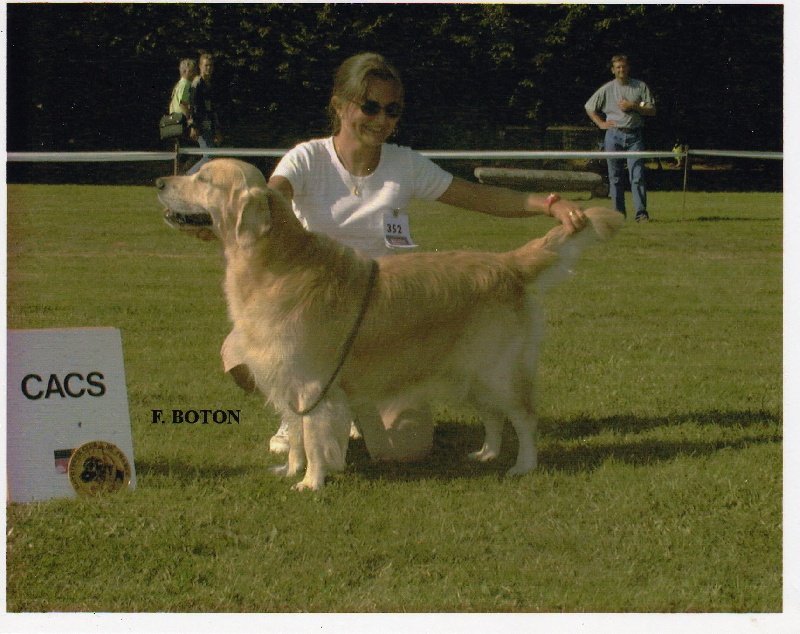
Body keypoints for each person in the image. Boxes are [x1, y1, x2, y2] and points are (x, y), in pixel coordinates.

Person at [223, 52, 589, 458]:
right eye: (370, 107)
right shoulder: (307, 158)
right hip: (319, 315)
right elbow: (273, 202)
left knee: (407, 451)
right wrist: (232, 218)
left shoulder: (405, 164)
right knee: (239, 352)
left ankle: (354, 410)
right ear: (340, 106)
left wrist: (548, 204)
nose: (382, 120)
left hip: (390, 319)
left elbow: (478, 196)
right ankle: (298, 416)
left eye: (392, 110)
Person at [585, 54, 656, 222]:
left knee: (637, 175)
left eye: (623, 66)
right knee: (615, 176)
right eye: (618, 67)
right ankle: (618, 215)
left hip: (634, 135)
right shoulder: (607, 88)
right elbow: (589, 107)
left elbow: (652, 110)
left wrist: (633, 106)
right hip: (614, 135)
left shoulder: (639, 87)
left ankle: (641, 214)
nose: (621, 70)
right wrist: (600, 123)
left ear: (628, 67)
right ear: (613, 70)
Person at [187, 53, 224, 175]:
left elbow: (212, 110)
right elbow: (192, 105)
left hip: (209, 127)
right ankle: (188, 177)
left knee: (213, 156)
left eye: (211, 66)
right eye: (206, 65)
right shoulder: (197, 83)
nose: (208, 68)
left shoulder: (210, 85)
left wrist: (217, 129)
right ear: (200, 66)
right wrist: (193, 126)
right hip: (201, 126)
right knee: (210, 156)